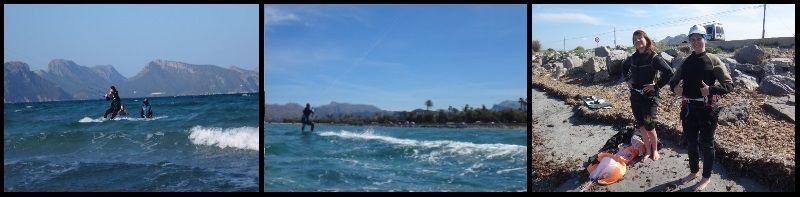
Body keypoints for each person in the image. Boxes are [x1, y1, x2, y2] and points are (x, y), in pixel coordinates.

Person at [669, 24, 734, 192]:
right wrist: (675, 89)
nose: (696, 42)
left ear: (705, 40)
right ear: (689, 41)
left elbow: (729, 86)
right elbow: (673, 81)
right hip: (688, 107)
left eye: (699, 38)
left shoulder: (713, 60)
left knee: (707, 143)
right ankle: (693, 172)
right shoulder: (686, 61)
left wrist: (710, 90)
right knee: (691, 142)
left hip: (707, 109)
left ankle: (706, 177)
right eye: (693, 39)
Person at [621, 30, 674, 161]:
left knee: (649, 126)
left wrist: (656, 86)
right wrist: (628, 80)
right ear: (633, 43)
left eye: (640, 38)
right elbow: (624, 67)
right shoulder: (633, 57)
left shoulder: (654, 57)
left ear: (646, 40)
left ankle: (655, 150)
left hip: (649, 98)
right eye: (635, 39)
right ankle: (647, 150)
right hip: (636, 97)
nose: (638, 41)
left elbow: (669, 72)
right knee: (641, 125)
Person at [579, 134, 646, 191]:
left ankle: (592, 180)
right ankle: (592, 179)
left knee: (608, 161)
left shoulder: (637, 148)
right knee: (606, 160)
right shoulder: (633, 141)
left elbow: (636, 152)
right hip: (617, 157)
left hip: (620, 162)